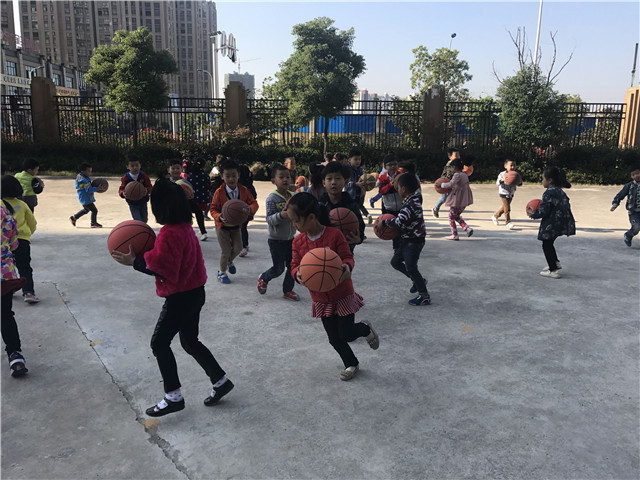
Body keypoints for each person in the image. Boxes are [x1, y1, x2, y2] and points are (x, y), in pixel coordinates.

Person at [111, 178, 234, 416]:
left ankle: (173, 397)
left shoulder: (169, 233)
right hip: (196, 292)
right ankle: (221, 381)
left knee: (159, 343)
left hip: (180, 298)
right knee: (190, 342)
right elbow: (171, 259)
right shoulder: (185, 227)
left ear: (160, 207)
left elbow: (164, 267)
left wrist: (135, 262)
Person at [288, 192, 379, 381]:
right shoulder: (298, 242)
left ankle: (364, 329)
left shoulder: (334, 235)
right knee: (334, 338)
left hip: (342, 293)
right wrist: (297, 274)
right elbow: (294, 264)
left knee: (346, 334)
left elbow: (347, 257)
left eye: (296, 221)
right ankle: (351, 363)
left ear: (311, 217)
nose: (294, 225)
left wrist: (346, 266)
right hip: (320, 298)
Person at [375, 173, 430, 306]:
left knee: (411, 267)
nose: (397, 190)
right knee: (395, 262)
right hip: (408, 240)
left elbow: (399, 222)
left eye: (398, 187)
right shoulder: (411, 200)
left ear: (404, 189)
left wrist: (384, 223)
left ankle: (424, 295)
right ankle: (418, 281)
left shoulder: (410, 205)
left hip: (414, 241)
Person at [210, 159, 259, 284]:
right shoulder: (219, 192)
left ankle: (229, 261)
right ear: (222, 176)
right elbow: (213, 209)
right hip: (222, 226)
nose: (231, 179)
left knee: (238, 248)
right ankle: (221, 272)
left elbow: (254, 203)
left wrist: (249, 209)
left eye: (233, 175)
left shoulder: (244, 190)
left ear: (238, 175)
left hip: (236, 225)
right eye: (227, 176)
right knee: (226, 250)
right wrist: (219, 216)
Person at [257, 164, 299, 301]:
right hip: (276, 240)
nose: (285, 179)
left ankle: (288, 290)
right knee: (279, 268)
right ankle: (264, 278)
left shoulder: (293, 196)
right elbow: (269, 219)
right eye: (281, 177)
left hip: (290, 238)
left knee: (292, 266)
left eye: (288, 177)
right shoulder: (272, 199)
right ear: (273, 181)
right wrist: (281, 215)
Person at [528, 166, 575, 278]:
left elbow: (544, 210)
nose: (542, 181)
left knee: (546, 244)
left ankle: (553, 270)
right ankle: (555, 263)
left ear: (549, 180)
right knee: (550, 243)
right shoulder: (560, 191)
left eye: (543, 179)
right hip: (562, 221)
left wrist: (533, 214)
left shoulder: (548, 193)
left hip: (552, 222)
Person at [1, 176, 38, 304]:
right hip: (21, 240)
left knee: (7, 266)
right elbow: (32, 223)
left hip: (4, 242)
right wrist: (28, 234)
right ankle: (28, 292)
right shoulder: (22, 205)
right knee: (24, 267)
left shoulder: (0, 205)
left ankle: (8, 289)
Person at [1, 203, 28, 377]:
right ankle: (15, 355)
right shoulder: (6, 215)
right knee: (5, 315)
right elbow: (14, 245)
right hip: (4, 274)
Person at [318, 161, 365, 251]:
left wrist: (359, 238)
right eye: (329, 179)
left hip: (346, 249)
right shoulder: (320, 205)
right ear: (324, 183)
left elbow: (360, 225)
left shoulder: (351, 204)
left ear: (345, 182)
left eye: (338, 178)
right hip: (324, 249)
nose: (333, 182)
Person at [436, 158, 474, 240]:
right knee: (456, 216)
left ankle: (455, 234)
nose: (451, 169)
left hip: (457, 201)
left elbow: (451, 184)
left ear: (454, 167)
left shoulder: (457, 175)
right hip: (464, 200)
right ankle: (467, 228)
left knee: (451, 217)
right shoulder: (464, 175)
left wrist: (441, 185)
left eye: (451, 167)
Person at [610, 165, 640, 247]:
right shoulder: (629, 186)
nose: (636, 176)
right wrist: (615, 204)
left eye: (638, 173)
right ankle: (628, 235)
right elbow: (620, 195)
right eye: (633, 175)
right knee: (636, 228)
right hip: (633, 212)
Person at [118, 154, 152, 223]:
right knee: (138, 220)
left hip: (143, 201)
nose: (135, 167)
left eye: (137, 165)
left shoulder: (143, 176)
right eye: (132, 166)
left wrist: (147, 190)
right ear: (127, 167)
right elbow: (121, 189)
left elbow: (149, 186)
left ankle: (142, 226)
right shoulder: (125, 178)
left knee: (144, 219)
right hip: (132, 202)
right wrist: (123, 193)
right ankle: (139, 228)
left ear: (140, 165)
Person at [183, 159, 210, 241]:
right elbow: (209, 185)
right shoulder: (205, 175)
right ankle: (203, 231)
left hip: (191, 198)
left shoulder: (190, 176)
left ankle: (187, 232)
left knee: (187, 215)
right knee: (199, 214)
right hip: (202, 199)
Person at [69, 163, 103, 228]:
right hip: (86, 198)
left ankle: (74, 218)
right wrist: (97, 188)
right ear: (83, 171)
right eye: (88, 171)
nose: (90, 173)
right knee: (94, 210)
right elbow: (88, 189)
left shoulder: (80, 177)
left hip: (83, 197)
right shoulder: (84, 180)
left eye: (91, 171)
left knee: (86, 210)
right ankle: (93, 223)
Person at [491, 159, 522, 230]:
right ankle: (508, 222)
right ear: (505, 166)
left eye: (514, 165)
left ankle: (495, 216)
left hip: (511, 193)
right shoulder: (502, 174)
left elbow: (520, 184)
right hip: (503, 193)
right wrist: (502, 180)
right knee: (507, 208)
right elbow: (497, 183)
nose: (513, 167)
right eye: (511, 165)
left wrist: (518, 181)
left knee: (504, 207)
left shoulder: (516, 174)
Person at [345, 148, 372, 224]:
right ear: (349, 159)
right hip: (350, 195)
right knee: (352, 212)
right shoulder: (347, 170)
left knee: (360, 206)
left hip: (359, 194)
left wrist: (366, 184)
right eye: (355, 159)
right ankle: (365, 216)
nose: (358, 161)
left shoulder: (360, 169)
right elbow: (345, 183)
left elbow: (362, 179)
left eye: (359, 159)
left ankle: (367, 216)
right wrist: (355, 184)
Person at [432, 148, 460, 218]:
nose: (458, 157)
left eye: (459, 155)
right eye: (456, 155)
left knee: (453, 198)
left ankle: (453, 213)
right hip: (445, 183)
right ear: (450, 157)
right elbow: (449, 176)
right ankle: (435, 209)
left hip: (451, 184)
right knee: (444, 198)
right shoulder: (449, 165)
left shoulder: (458, 164)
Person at [238, 163, 258, 256]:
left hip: (240, 210)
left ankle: (242, 246)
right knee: (243, 228)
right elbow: (255, 196)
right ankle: (245, 245)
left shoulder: (240, 186)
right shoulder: (250, 184)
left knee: (240, 228)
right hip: (248, 211)